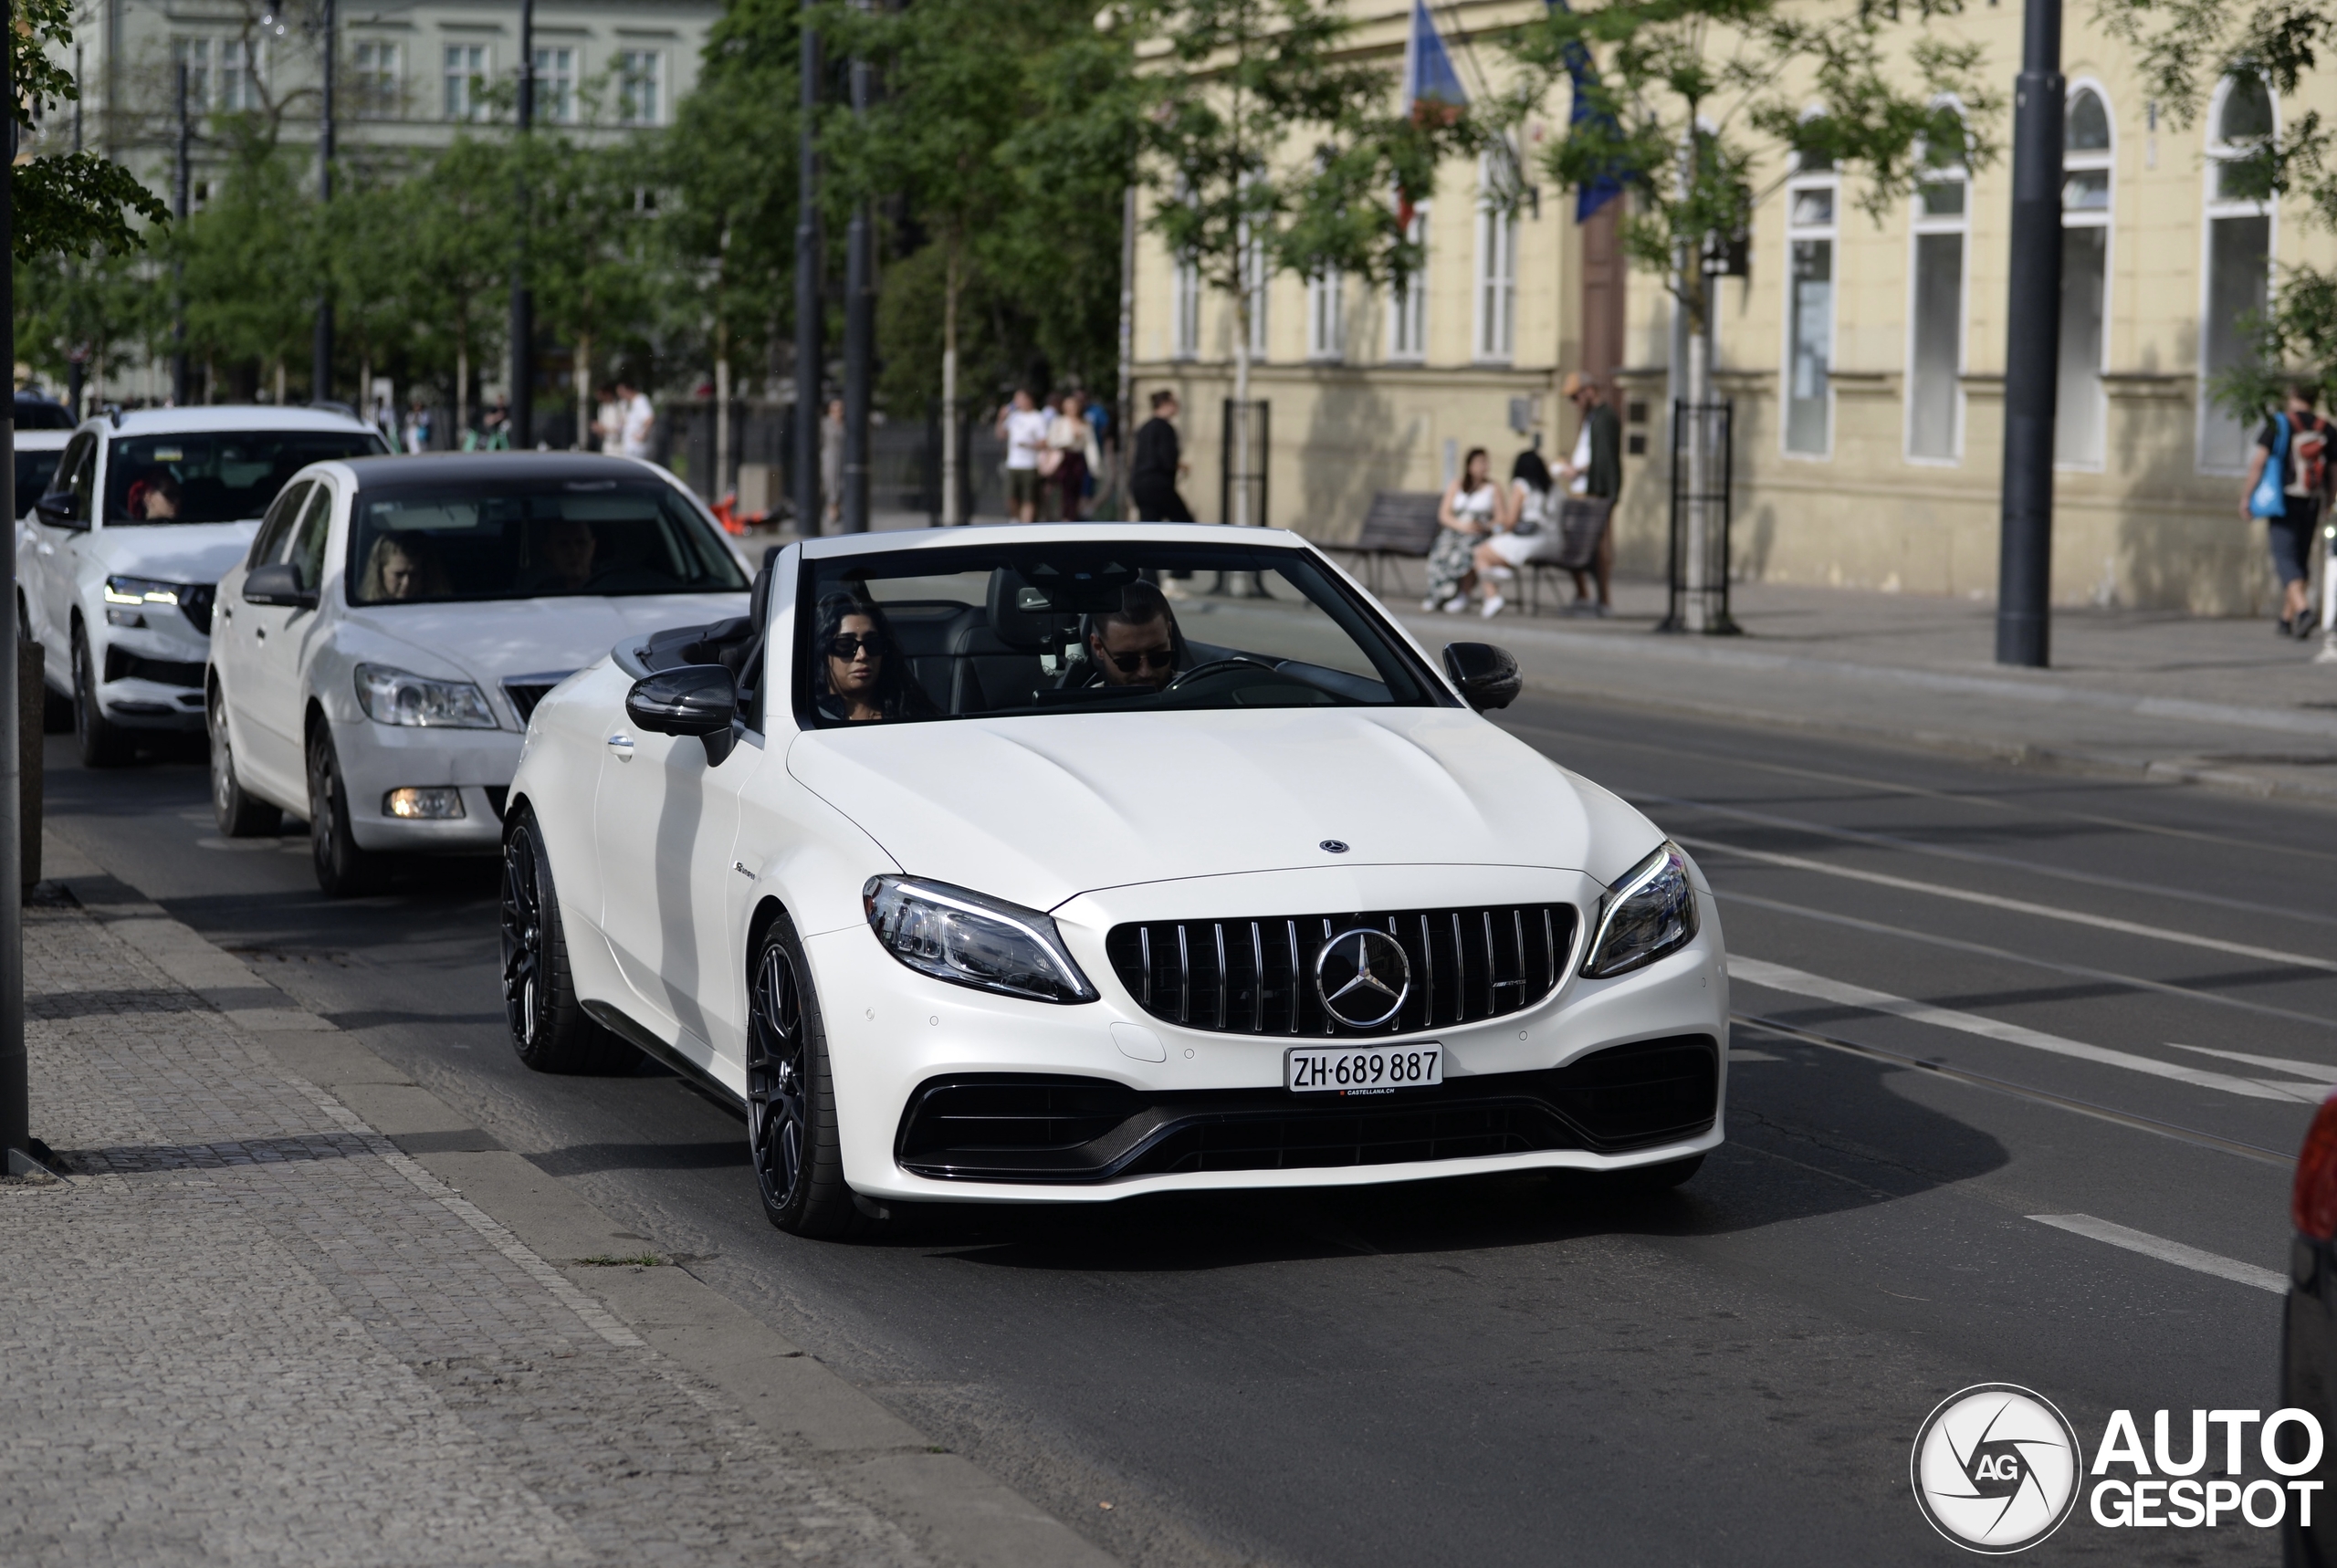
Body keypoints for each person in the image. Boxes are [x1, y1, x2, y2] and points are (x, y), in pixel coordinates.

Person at [2244, 381, 2332, 637]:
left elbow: (2258, 463)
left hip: (2283, 500)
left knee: (2285, 558)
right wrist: (2329, 501)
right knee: (2300, 559)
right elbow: (2334, 472)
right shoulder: (2325, 428)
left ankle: (2303, 611)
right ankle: (2287, 619)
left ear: (2292, 395)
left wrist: (2246, 497)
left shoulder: (2279, 424)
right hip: (2313, 500)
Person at [1555, 371, 1622, 615]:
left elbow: (1603, 461)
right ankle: (1584, 594)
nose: (1574, 403)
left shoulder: (1605, 418)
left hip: (1596, 492)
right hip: (1584, 489)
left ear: (1588, 391)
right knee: (1578, 544)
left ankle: (1604, 600)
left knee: (1598, 547)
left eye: (1575, 397)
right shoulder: (1592, 417)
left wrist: (1577, 471)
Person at [812, 592, 935, 721]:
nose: (862, 655)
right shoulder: (803, 718)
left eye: (872, 644)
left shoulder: (913, 716)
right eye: (846, 645)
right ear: (822, 651)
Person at [1471, 451, 1556, 618]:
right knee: (1493, 552)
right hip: (1553, 540)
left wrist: (1494, 530)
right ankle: (1499, 574)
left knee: (1480, 552)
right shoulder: (1551, 485)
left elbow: (1510, 521)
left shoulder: (1521, 485)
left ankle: (1492, 596)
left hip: (1530, 541)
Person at [1424, 447, 1510, 612]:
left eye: (1485, 462)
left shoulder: (1493, 487)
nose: (1484, 466)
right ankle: (1437, 594)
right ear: (1469, 466)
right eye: (1479, 462)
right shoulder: (1457, 485)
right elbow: (1444, 514)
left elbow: (1501, 518)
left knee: (1464, 553)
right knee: (1440, 553)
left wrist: (1485, 527)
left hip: (1479, 533)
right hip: (1456, 531)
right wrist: (1461, 525)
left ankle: (1463, 594)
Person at [1083, 580, 1184, 693]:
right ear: (1098, 647)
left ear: (1170, 634)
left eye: (1158, 657)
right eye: (1128, 662)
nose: (1145, 673)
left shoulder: (1198, 694)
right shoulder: (1084, 707)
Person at [1129, 390, 1193, 523]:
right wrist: (1179, 466)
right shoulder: (1165, 428)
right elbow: (1167, 460)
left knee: (1150, 527)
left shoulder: (1145, 427)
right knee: (1185, 524)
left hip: (1140, 485)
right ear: (1165, 404)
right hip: (1159, 485)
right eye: (1174, 402)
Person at [999, 390, 1050, 523]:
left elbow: (1044, 442)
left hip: (1029, 464)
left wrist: (1028, 445)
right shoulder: (1013, 417)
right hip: (1012, 463)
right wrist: (1001, 417)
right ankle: (1015, 519)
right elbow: (1000, 435)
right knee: (1010, 497)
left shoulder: (1037, 418)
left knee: (1029, 499)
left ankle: (1026, 525)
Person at [1048, 392, 1099, 523]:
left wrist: (1095, 465)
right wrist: (1071, 438)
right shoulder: (1059, 422)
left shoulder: (1084, 423)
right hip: (1063, 459)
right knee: (1065, 490)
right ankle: (1065, 517)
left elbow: (1090, 446)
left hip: (1078, 459)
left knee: (1078, 490)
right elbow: (1053, 441)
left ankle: (1073, 516)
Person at [357, 532, 449, 603]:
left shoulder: (440, 610)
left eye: (414, 575)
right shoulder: (362, 612)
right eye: (399, 574)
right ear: (380, 573)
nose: (406, 583)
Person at [524, 517, 598, 593]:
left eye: (581, 543)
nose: (573, 551)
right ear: (549, 551)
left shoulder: (607, 587)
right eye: (564, 544)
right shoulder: (538, 595)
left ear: (592, 547)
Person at [614, 380, 655, 462]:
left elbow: (649, 419)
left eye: (622, 392)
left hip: (637, 448)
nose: (621, 395)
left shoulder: (640, 400)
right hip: (628, 447)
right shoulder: (627, 404)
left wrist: (643, 435)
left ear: (628, 390)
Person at [820, 398, 845, 532]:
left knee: (840, 483)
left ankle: (837, 509)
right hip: (830, 456)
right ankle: (832, 509)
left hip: (842, 457)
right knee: (831, 482)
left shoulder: (844, 424)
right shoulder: (826, 423)